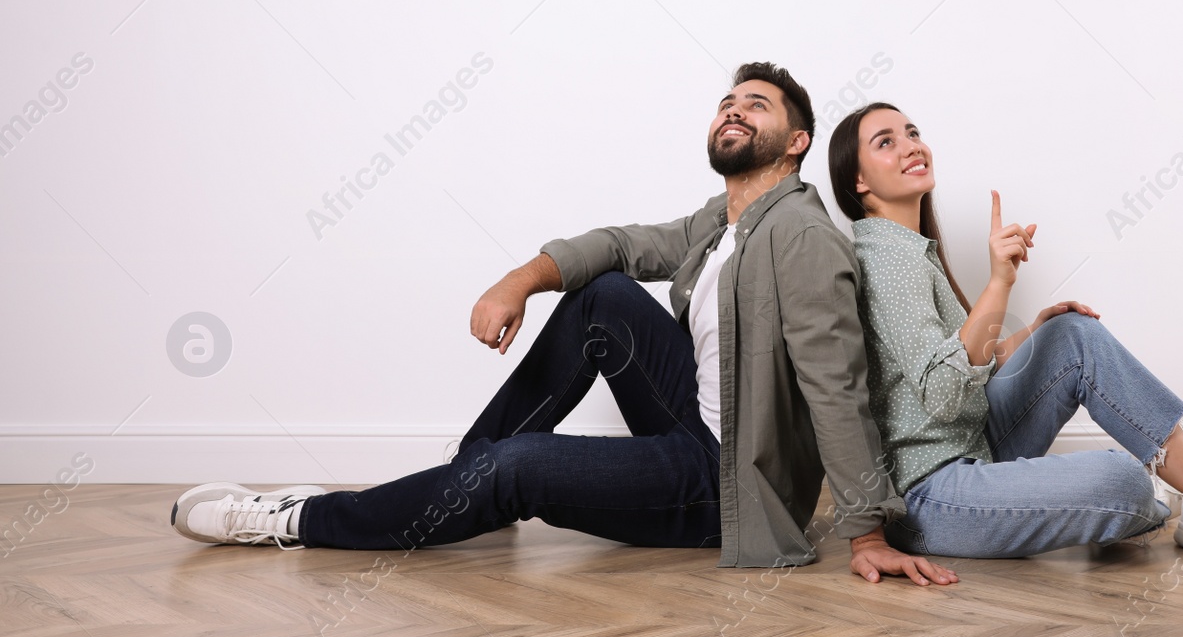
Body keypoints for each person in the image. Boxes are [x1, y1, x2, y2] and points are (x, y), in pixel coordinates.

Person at [170, 63, 957, 586]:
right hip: (697, 422)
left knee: (520, 468)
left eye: (757, 104)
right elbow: (619, 245)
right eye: (728, 99)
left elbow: (836, 384)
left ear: (795, 143)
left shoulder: (803, 236)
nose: (733, 109)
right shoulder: (727, 220)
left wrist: (864, 531)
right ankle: (453, 489)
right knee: (603, 297)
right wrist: (523, 278)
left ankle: (302, 518)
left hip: (727, 485)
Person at [826, 101, 1183, 558]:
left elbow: (953, 369)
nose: (911, 144)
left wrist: (1035, 334)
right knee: (1125, 479)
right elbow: (941, 397)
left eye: (912, 131)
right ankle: (1179, 502)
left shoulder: (909, 250)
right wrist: (999, 283)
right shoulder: (888, 260)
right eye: (886, 141)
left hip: (974, 445)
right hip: (938, 493)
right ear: (859, 182)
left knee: (1072, 335)